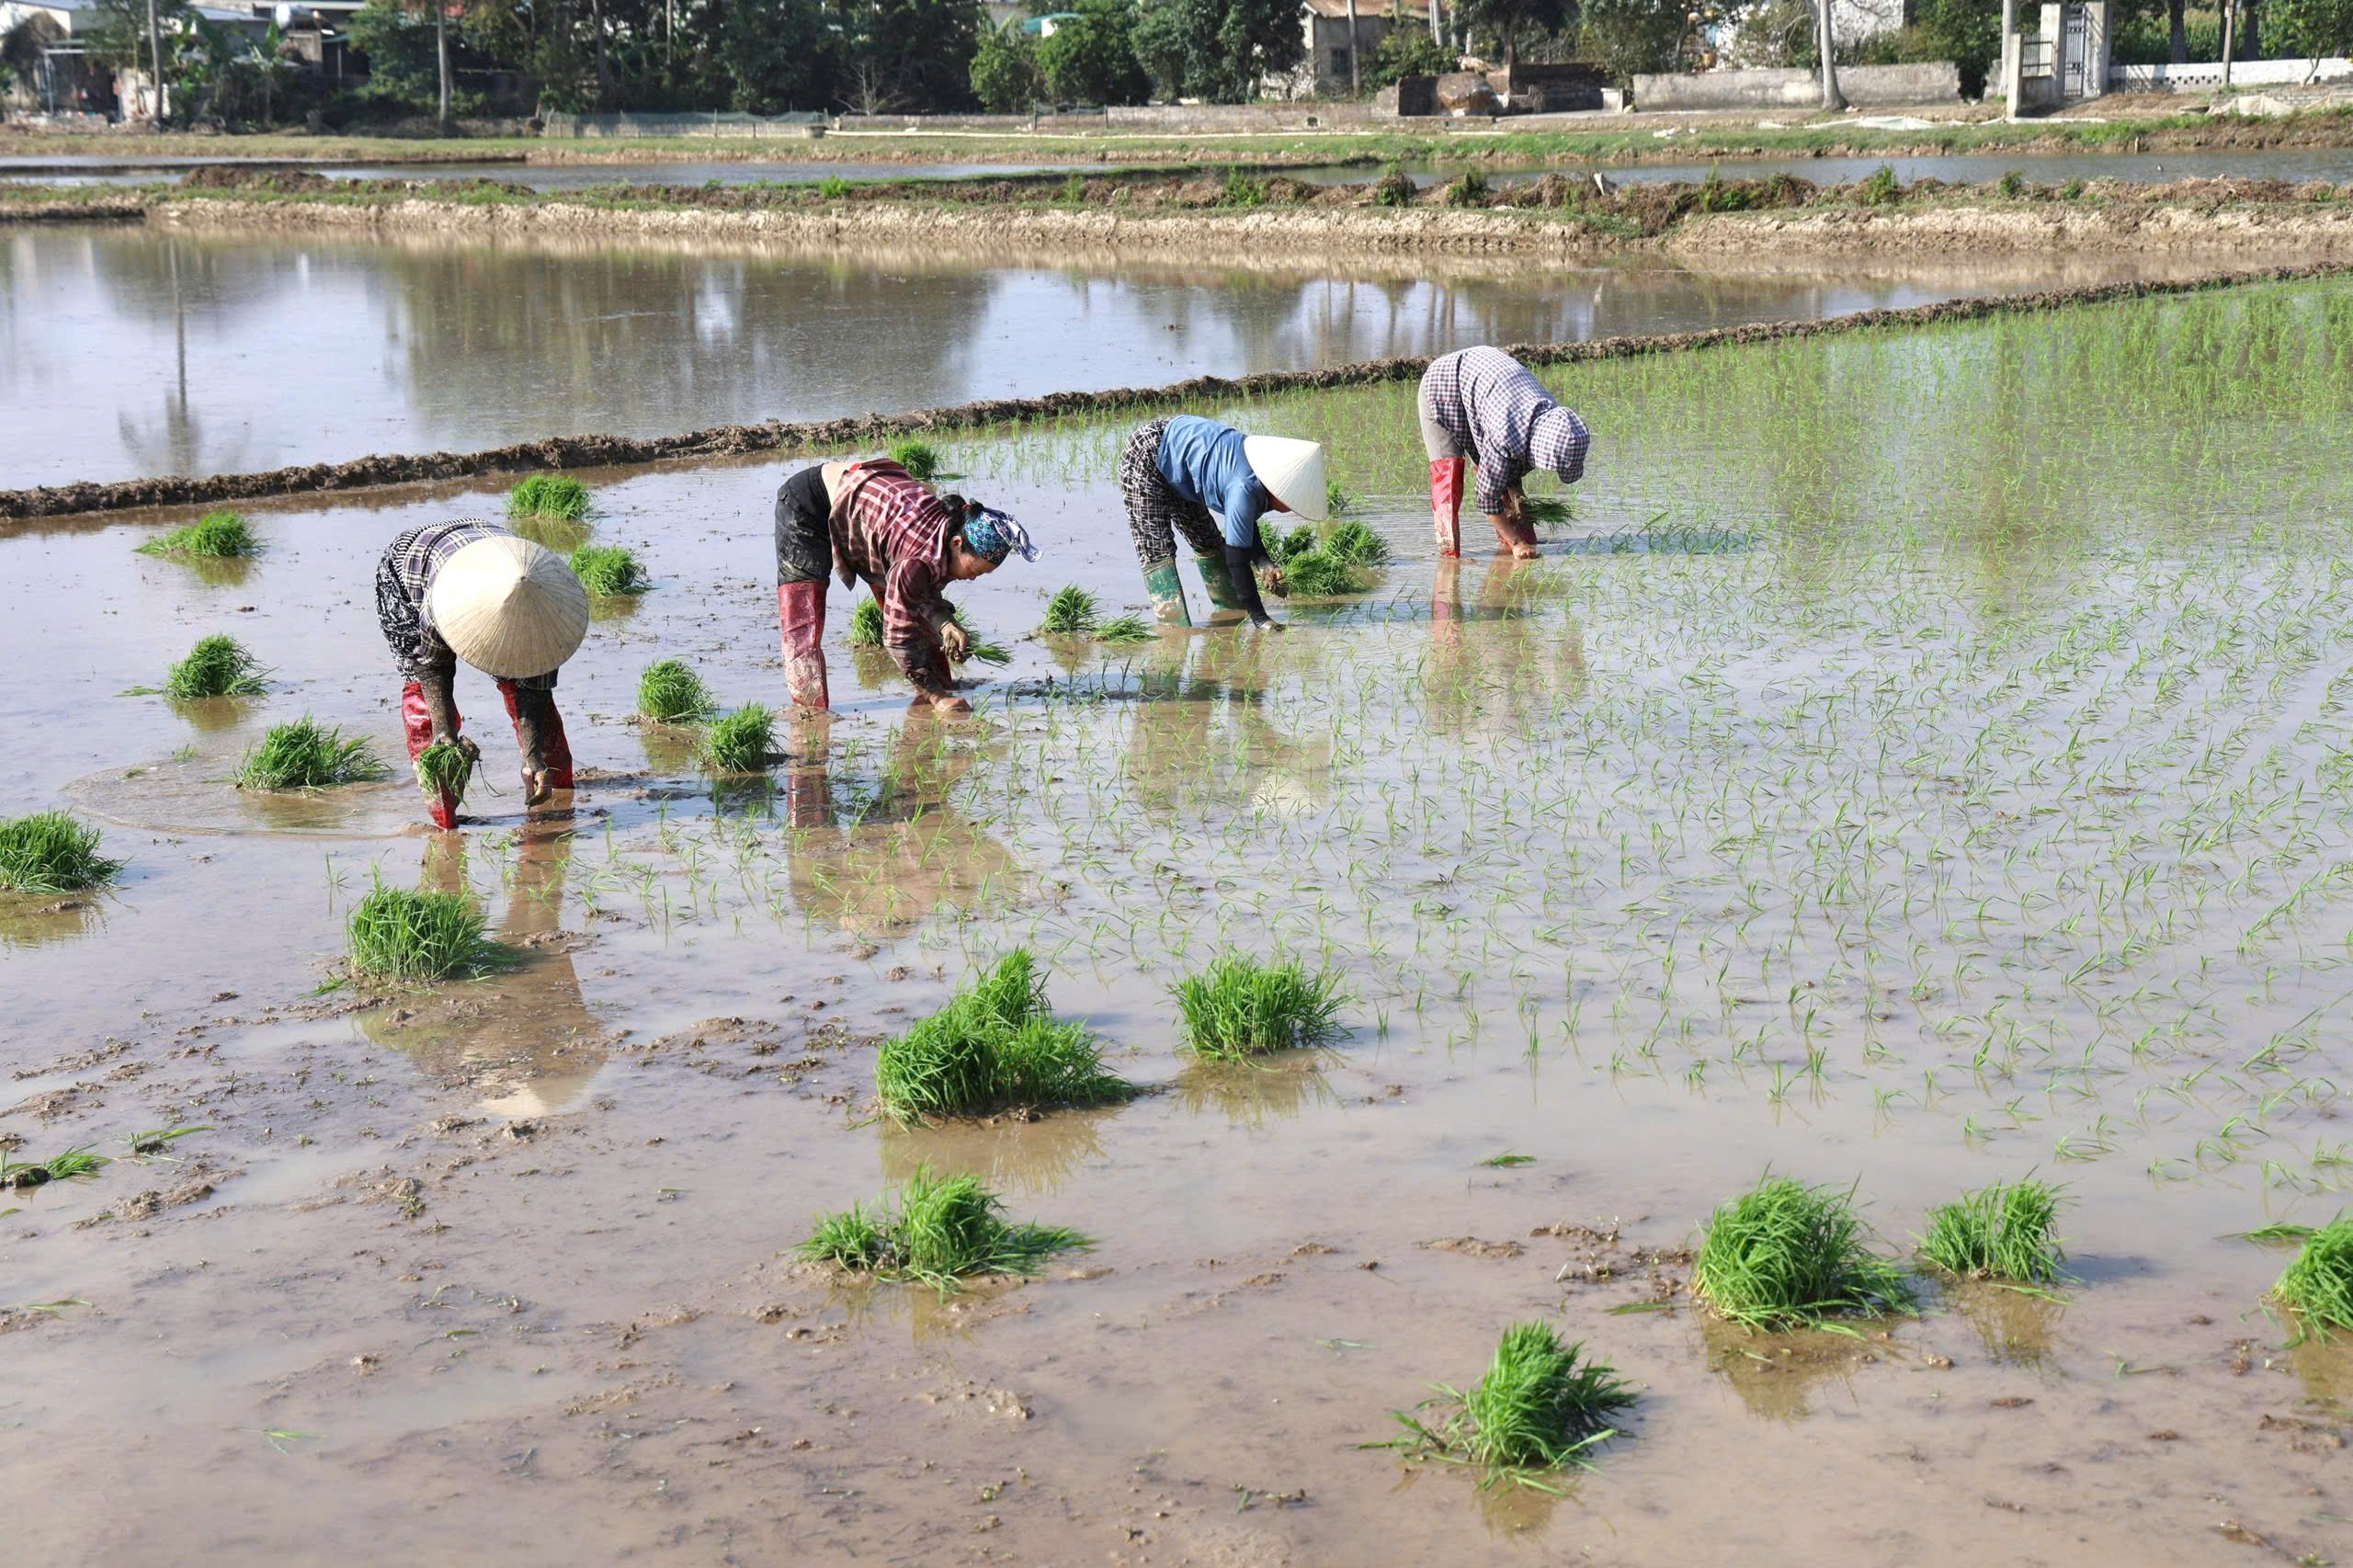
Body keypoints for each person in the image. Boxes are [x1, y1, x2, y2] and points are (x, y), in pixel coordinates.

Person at [774, 457, 1033, 716]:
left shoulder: (944, 530)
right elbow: (897, 635)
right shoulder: (916, 559)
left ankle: (942, 684)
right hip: (806, 504)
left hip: (865, 510)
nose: (974, 578)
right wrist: (937, 697)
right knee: (804, 619)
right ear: (956, 543)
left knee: (908, 601)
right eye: (975, 570)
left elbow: (919, 591)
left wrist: (945, 623)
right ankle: (810, 714)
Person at [375, 519, 588, 830]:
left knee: (531, 695)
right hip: (411, 567)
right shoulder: (441, 604)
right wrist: (445, 736)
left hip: (504, 559)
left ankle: (557, 792)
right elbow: (432, 668)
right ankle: (443, 815)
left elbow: (535, 689)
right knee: (422, 699)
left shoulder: (548, 609)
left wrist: (534, 759)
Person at [1119, 415, 1326, 629]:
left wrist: (1264, 562)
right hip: (1147, 455)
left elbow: (1244, 520)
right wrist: (1260, 617)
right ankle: (1174, 628)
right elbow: (1237, 560)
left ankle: (1231, 610)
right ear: (1278, 487)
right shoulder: (1244, 487)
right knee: (1156, 548)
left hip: (1183, 458)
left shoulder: (1257, 473)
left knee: (1206, 539)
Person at [1419, 346, 1591, 561]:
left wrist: (1520, 506)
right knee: (1449, 478)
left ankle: (1508, 552)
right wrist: (1518, 543)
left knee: (1505, 479)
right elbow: (1487, 498)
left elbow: (1512, 466)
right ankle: (1449, 559)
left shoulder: (1553, 418)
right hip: (1441, 388)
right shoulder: (1506, 435)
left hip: (1485, 391)